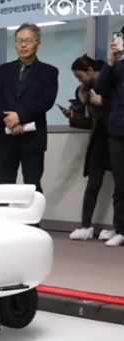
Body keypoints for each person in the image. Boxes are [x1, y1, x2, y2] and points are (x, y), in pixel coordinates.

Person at [0, 23, 58, 196]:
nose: (23, 45)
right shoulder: (3, 70)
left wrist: (20, 116)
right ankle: (4, 221)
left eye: (28, 40)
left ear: (38, 44)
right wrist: (10, 120)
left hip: (32, 135)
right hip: (5, 133)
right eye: (19, 41)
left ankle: (32, 223)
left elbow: (46, 101)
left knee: (32, 184)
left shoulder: (49, 72)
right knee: (5, 183)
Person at [62, 55, 114, 241]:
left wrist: (104, 103)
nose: (79, 81)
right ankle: (85, 225)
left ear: (91, 71)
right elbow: (92, 122)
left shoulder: (112, 82)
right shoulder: (85, 91)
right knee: (93, 184)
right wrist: (72, 117)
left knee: (120, 187)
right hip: (99, 139)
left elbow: (118, 106)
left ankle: (118, 228)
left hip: (116, 137)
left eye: (80, 76)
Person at [95, 25, 124, 247]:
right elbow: (100, 88)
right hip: (117, 130)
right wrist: (112, 60)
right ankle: (120, 229)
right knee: (120, 183)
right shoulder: (117, 66)